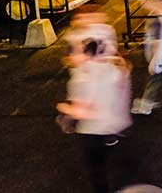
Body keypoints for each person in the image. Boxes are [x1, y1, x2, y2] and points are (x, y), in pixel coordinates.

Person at [56, 18, 131, 193]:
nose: (71, 57)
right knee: (102, 166)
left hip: (93, 131)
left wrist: (65, 110)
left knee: (96, 172)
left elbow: (84, 110)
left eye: (75, 53)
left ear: (85, 54)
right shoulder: (110, 69)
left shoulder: (81, 79)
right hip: (111, 125)